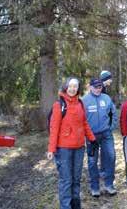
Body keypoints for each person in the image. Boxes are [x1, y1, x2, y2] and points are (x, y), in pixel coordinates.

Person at [47, 77, 97, 209]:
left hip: (79, 148)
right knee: (66, 180)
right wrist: (51, 149)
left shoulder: (80, 103)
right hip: (63, 149)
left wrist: (92, 139)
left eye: (75, 86)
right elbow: (54, 128)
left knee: (76, 180)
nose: (72, 88)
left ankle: (76, 205)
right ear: (66, 87)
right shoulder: (59, 105)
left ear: (78, 88)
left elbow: (84, 123)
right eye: (70, 86)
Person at [82, 78, 118, 196]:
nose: (98, 89)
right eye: (96, 87)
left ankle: (109, 184)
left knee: (111, 157)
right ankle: (95, 187)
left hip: (106, 134)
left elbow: (113, 113)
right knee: (92, 162)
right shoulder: (84, 100)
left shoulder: (106, 98)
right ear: (90, 87)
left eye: (100, 87)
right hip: (91, 136)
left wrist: (111, 126)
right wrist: (85, 133)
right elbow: (80, 119)